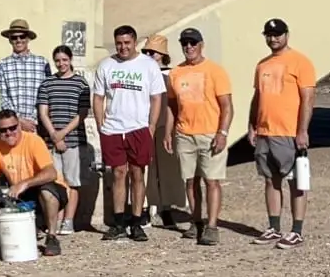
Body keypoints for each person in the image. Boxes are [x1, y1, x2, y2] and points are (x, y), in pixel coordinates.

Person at [92, 25, 165, 242]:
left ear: (134, 42)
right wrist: (100, 124)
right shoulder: (106, 65)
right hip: (113, 128)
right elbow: (98, 97)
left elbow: (156, 98)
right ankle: (118, 223)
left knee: (137, 173)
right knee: (118, 174)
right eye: (119, 43)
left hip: (138, 128)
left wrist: (151, 126)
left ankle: (136, 221)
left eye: (127, 43)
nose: (123, 47)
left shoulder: (148, 65)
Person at [248, 18, 316, 250]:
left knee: (296, 181)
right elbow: (258, 98)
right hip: (266, 131)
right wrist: (252, 125)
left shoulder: (300, 62)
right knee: (270, 179)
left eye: (277, 34)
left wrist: (302, 130)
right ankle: (274, 226)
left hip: (289, 132)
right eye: (269, 34)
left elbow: (308, 98)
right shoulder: (263, 65)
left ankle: (296, 230)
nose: (273, 38)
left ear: (286, 34)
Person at [166, 28, 233, 246]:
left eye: (193, 43)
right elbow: (172, 105)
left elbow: (227, 106)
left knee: (211, 181)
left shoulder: (215, 71)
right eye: (185, 43)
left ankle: (212, 226)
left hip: (210, 133)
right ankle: (196, 222)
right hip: (185, 134)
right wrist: (169, 131)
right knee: (190, 181)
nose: (189, 47)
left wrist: (222, 132)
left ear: (201, 45)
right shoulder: (176, 73)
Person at [0, 111, 68, 257]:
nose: (9, 133)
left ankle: (52, 236)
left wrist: (24, 184)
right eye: (3, 130)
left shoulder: (34, 141)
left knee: (46, 192)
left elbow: (51, 173)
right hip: (19, 194)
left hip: (45, 188)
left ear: (19, 125)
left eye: (12, 128)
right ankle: (14, 230)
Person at [36, 45, 90, 235]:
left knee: (72, 181)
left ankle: (69, 220)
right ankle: (56, 220)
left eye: (64, 60)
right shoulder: (47, 84)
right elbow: (43, 112)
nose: (61, 64)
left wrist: (63, 133)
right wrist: (53, 134)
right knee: (55, 181)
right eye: (58, 61)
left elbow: (82, 113)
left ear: (70, 59)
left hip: (73, 140)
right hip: (52, 141)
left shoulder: (81, 84)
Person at [141, 35, 187, 229]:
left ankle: (166, 207)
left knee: (167, 168)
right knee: (145, 168)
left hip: (165, 124)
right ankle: (146, 207)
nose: (149, 55)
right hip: (144, 122)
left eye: (153, 52)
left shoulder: (173, 74)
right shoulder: (142, 71)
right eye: (147, 52)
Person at [0, 20, 51, 132]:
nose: (18, 40)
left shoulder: (42, 63)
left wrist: (34, 121)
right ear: (10, 40)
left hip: (38, 126)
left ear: (28, 38)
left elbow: (47, 93)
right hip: (12, 127)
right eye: (14, 37)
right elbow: (1, 96)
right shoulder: (2, 65)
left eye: (22, 36)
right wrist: (19, 120)